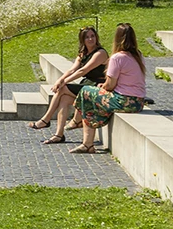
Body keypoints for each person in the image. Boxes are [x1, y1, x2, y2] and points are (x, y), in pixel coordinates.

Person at [70, 23, 148, 154]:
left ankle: (82, 133)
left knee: (86, 91)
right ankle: (82, 130)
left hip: (123, 101)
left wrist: (103, 86)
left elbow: (110, 85)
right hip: (138, 102)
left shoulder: (117, 58)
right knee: (93, 97)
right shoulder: (138, 55)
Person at [30, 26, 107, 144]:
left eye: (93, 36)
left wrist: (64, 82)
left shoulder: (100, 53)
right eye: (87, 37)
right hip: (86, 85)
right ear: (83, 40)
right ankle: (58, 134)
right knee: (64, 99)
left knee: (63, 89)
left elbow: (83, 71)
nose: (91, 39)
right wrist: (59, 80)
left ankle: (46, 119)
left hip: (96, 87)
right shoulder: (83, 54)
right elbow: (72, 70)